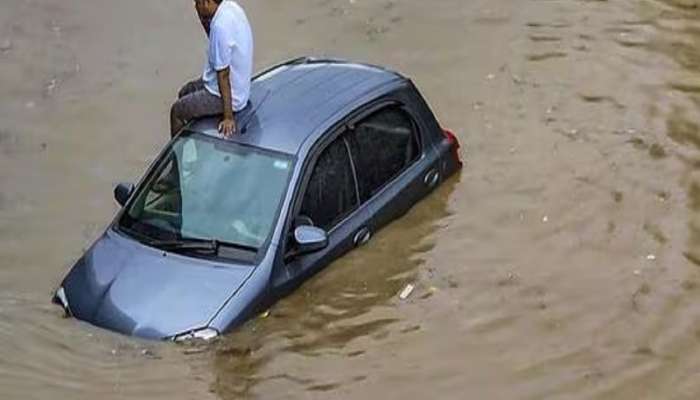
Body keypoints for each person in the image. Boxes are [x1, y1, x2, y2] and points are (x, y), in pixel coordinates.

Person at [170, 0, 253, 138]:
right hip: (233, 84)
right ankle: (194, 138)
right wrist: (203, 18)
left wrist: (228, 117)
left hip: (227, 94)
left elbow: (223, 75)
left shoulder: (220, 26)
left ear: (206, 2)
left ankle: (181, 158)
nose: (195, 6)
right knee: (185, 92)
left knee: (177, 111)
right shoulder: (229, 8)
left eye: (197, 3)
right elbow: (215, 43)